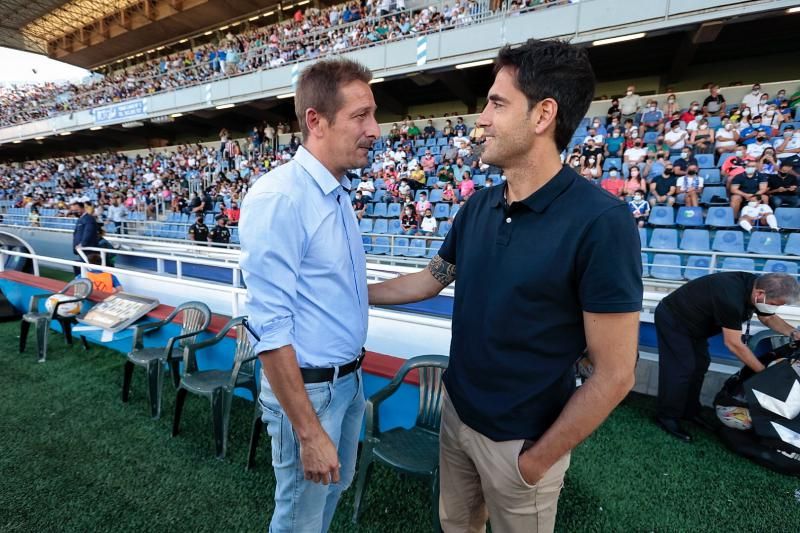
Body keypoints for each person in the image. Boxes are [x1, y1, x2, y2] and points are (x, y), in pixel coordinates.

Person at [367, 39, 641, 532]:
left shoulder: (601, 222)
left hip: (520, 445)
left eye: (497, 103)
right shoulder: (477, 207)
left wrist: (536, 461)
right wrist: (353, 292)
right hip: (456, 418)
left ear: (543, 115)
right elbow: (432, 280)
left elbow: (616, 373)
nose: (482, 119)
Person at [239, 58, 378, 533]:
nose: (375, 129)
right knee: (300, 517)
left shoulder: (336, 193)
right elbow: (269, 327)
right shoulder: (281, 197)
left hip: (348, 383)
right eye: (361, 116)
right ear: (315, 121)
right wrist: (308, 429)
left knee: (327, 500)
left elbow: (334, 289)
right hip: (312, 393)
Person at [654, 273, 800, 441]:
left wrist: (793, 332)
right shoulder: (730, 297)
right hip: (674, 319)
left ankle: (689, 411)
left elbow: (768, 317)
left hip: (696, 326)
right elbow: (734, 344)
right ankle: (666, 417)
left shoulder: (759, 287)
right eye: (774, 304)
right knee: (682, 369)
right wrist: (764, 373)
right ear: (760, 294)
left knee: (700, 364)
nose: (775, 308)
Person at [71, 201, 99, 275]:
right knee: (84, 269)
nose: (74, 212)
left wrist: (82, 244)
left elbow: (88, 232)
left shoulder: (89, 218)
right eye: (73, 210)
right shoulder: (81, 219)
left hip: (88, 249)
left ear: (83, 208)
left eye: (76, 210)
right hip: (81, 250)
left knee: (90, 268)